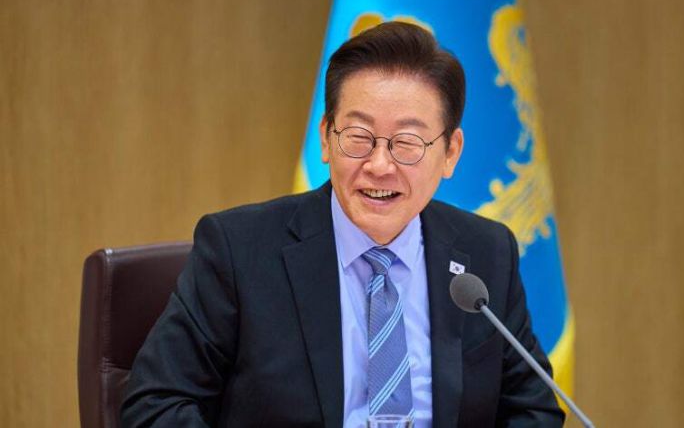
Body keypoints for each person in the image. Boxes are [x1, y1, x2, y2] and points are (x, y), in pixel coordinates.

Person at [121, 22, 564, 427]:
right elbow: (155, 404)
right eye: (358, 137)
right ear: (326, 138)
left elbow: (534, 410)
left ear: (450, 153)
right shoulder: (240, 250)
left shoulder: (486, 253)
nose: (379, 165)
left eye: (407, 143)